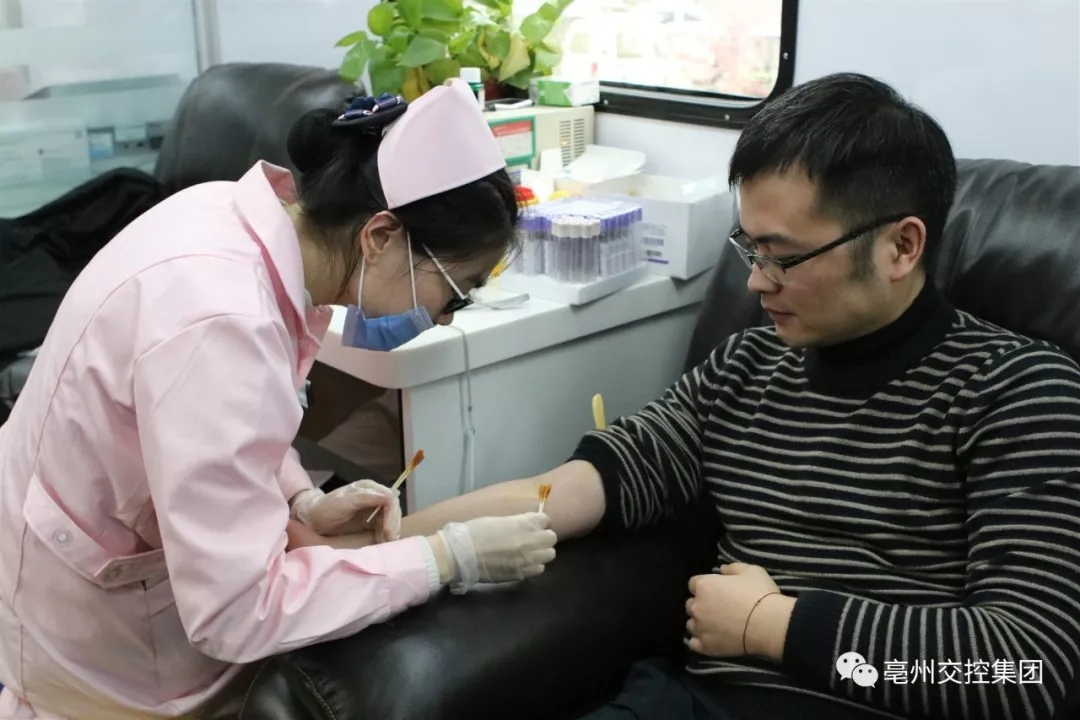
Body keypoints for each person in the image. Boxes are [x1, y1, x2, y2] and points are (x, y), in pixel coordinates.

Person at [397, 73, 1080, 720]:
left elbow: (1027, 669)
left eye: (782, 256)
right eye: (749, 249)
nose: (756, 282)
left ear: (901, 246)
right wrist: (386, 543)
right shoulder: (745, 367)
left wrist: (771, 626)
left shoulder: (1018, 392)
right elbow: (571, 489)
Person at [0, 79, 556, 720]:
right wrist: (446, 557)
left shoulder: (232, 219)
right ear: (380, 236)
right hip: (90, 631)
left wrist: (299, 497)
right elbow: (236, 613)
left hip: (73, 541)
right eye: (454, 290)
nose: (446, 316)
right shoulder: (223, 320)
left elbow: (217, 426)